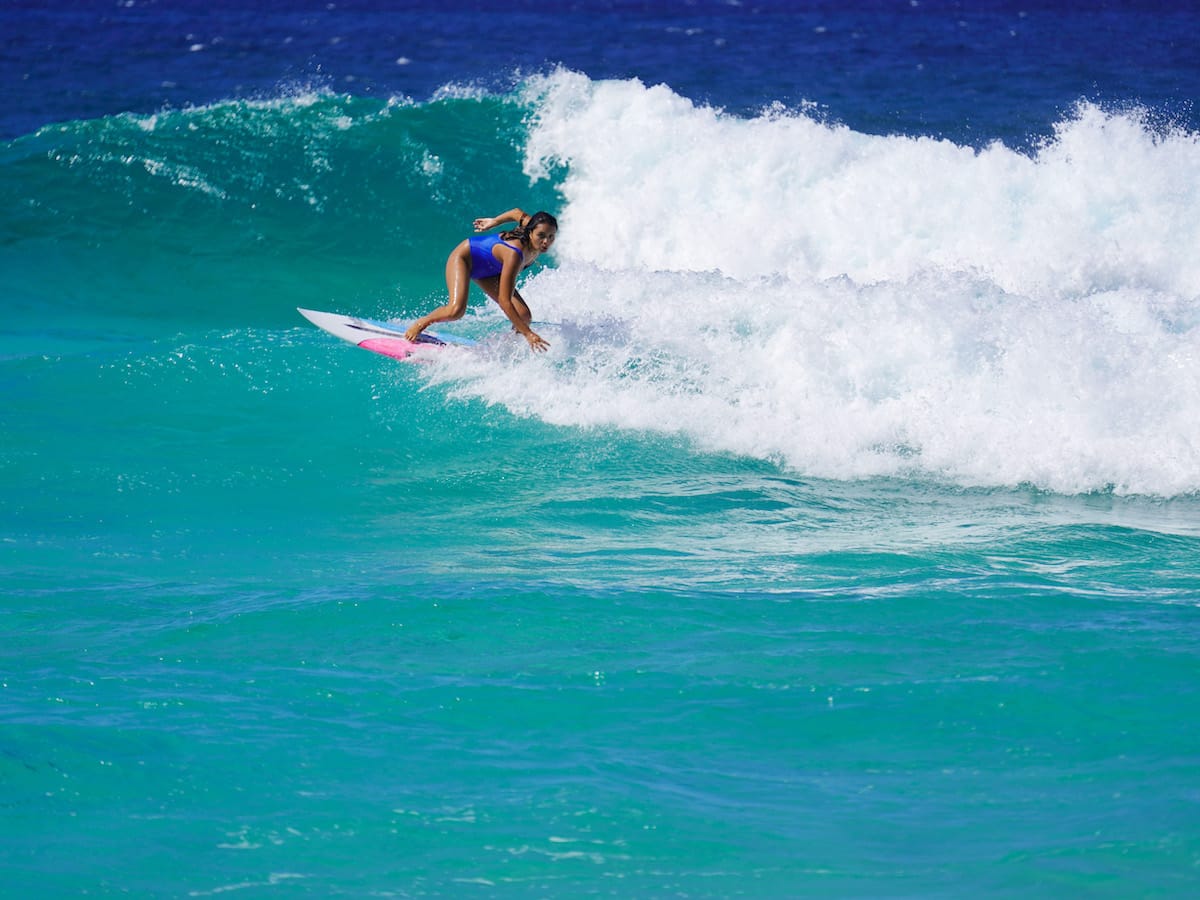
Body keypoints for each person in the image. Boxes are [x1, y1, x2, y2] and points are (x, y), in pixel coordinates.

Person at [404, 208, 558, 352]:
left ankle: (507, 348)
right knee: (455, 311)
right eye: (541, 236)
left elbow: (516, 213)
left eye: (551, 236)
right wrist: (529, 334)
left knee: (524, 316)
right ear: (530, 232)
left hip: (489, 271)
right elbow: (505, 301)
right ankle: (421, 323)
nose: (546, 241)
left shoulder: (536, 227)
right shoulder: (514, 254)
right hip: (465, 258)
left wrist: (494, 221)